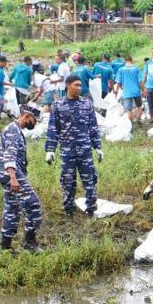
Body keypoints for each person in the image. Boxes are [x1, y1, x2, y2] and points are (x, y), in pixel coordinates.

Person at [46, 76, 102, 217]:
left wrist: (98, 147)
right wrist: (50, 150)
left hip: (85, 150)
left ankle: (91, 208)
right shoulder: (58, 106)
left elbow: (93, 127)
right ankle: (69, 209)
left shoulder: (87, 104)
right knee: (68, 181)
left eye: (80, 85)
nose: (79, 88)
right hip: (67, 151)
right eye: (76, 85)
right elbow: (53, 129)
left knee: (90, 180)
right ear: (67, 86)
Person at [0, 104, 43, 252]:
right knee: (33, 203)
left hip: (7, 174)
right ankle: (29, 241)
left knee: (12, 208)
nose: (35, 124)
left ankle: (5, 246)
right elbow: (9, 155)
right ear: (27, 116)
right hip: (10, 174)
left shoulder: (15, 130)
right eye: (35, 120)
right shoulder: (13, 130)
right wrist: (13, 178)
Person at [115, 54, 144, 120]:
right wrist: (144, 90)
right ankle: (138, 120)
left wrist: (116, 91)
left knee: (128, 110)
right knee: (139, 106)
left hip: (127, 92)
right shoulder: (137, 69)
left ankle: (130, 124)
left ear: (125, 61)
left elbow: (118, 83)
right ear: (131, 60)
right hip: (136, 91)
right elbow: (140, 82)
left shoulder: (121, 69)